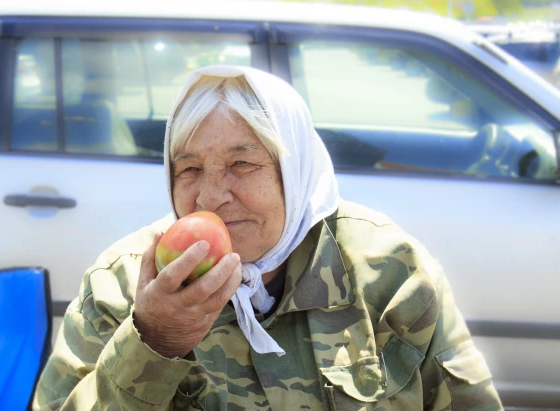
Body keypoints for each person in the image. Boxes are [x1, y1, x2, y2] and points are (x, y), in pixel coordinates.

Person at [33, 66, 503, 410]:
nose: (211, 198)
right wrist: (153, 340)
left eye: (243, 164)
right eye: (190, 169)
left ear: (294, 173)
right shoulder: (120, 287)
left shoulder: (390, 273)